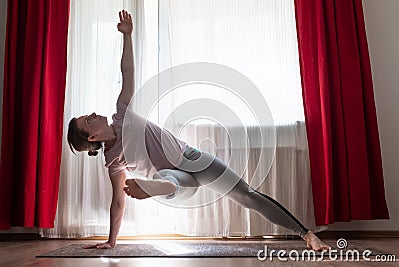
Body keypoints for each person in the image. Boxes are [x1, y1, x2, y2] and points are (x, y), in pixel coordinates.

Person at [67, 10, 331, 251]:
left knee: (249, 196)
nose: (92, 115)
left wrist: (127, 36)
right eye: (88, 121)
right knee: (169, 178)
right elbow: (118, 201)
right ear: (92, 137)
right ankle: (155, 187)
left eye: (88, 115)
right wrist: (111, 240)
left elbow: (127, 71)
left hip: (195, 161)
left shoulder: (121, 114)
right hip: (174, 181)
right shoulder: (113, 161)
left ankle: (306, 235)